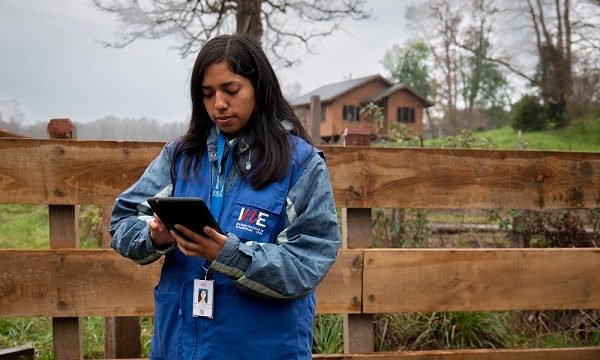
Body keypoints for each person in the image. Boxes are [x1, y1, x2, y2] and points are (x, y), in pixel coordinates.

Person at [110, 33, 340, 360]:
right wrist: (154, 237)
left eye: (231, 90)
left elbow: (308, 261)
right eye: (207, 94)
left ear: (259, 88)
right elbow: (122, 222)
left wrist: (230, 255)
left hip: (265, 349)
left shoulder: (299, 165)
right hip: (179, 348)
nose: (219, 103)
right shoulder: (179, 157)